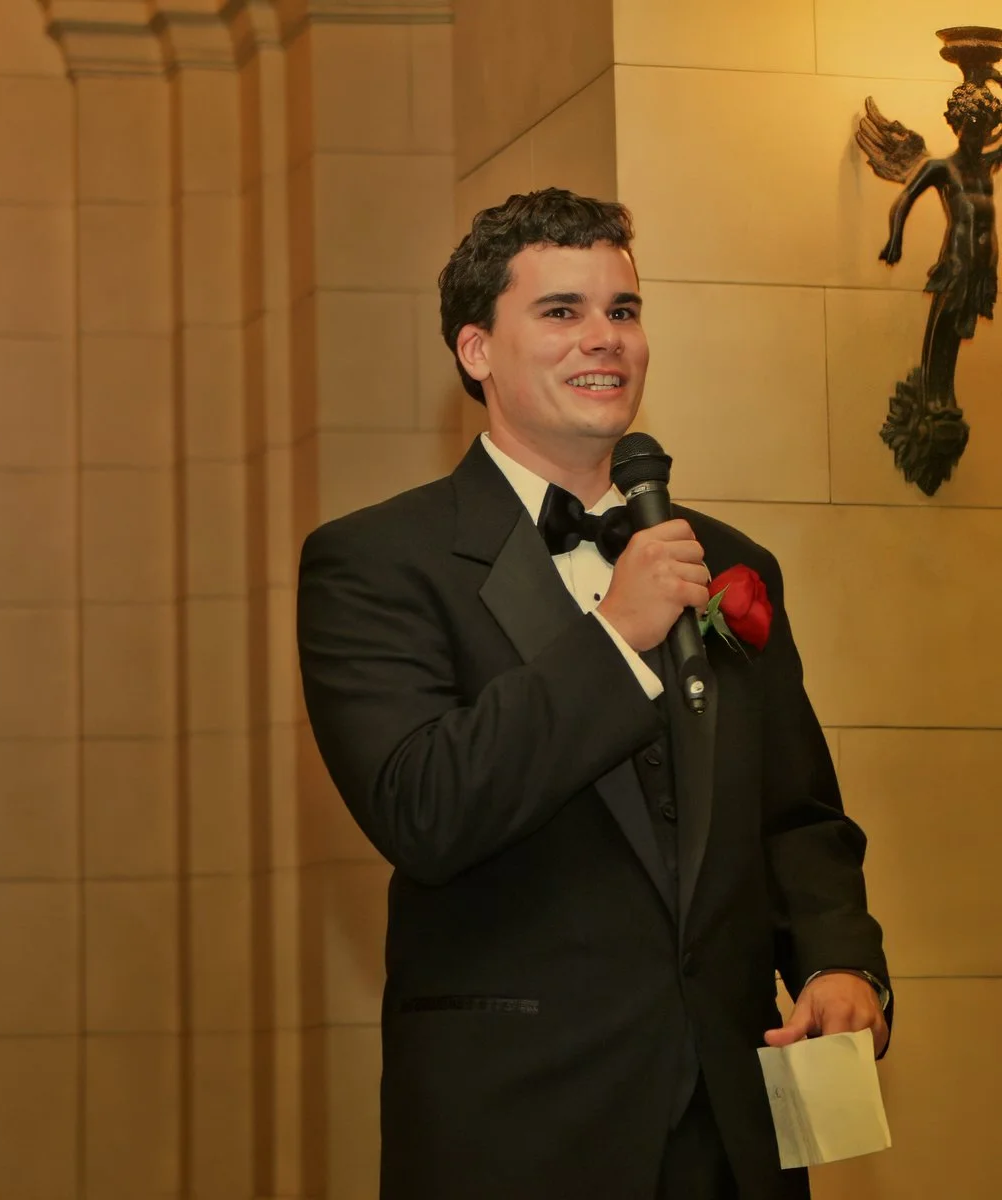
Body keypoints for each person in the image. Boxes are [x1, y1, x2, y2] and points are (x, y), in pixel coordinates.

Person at [295, 189, 891, 1200]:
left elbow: (794, 817)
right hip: (521, 1128)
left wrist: (843, 966)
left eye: (623, 310)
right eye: (562, 311)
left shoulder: (730, 564)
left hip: (732, 1132)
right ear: (476, 350)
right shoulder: (376, 563)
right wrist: (615, 636)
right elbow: (426, 806)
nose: (604, 340)